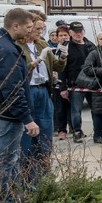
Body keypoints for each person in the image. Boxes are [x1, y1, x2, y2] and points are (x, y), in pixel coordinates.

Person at [0, 8, 40, 203]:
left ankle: (11, 200)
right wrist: (27, 118)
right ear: (15, 26)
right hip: (7, 113)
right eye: (28, 27)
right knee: (6, 161)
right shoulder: (8, 50)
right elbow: (12, 89)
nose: (30, 31)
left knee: (8, 159)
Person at [18, 12, 65, 182]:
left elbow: (58, 66)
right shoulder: (19, 47)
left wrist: (64, 54)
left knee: (45, 135)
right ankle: (27, 176)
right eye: (37, 28)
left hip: (44, 90)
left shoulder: (41, 44)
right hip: (29, 90)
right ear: (27, 27)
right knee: (29, 137)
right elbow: (19, 73)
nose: (40, 31)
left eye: (42, 28)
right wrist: (36, 62)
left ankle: (44, 177)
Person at [59, 21, 95, 143]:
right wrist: (63, 87)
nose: (78, 34)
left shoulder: (90, 45)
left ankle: (98, 131)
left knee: (95, 108)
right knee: (76, 110)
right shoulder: (66, 47)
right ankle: (77, 131)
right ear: (70, 33)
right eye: (75, 32)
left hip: (91, 83)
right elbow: (61, 69)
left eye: (80, 31)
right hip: (75, 84)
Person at [51, 25, 72, 139]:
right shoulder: (55, 50)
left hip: (71, 82)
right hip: (58, 82)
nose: (63, 37)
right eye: (61, 35)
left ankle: (73, 128)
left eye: (65, 35)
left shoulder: (72, 47)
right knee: (60, 108)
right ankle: (61, 129)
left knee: (72, 107)